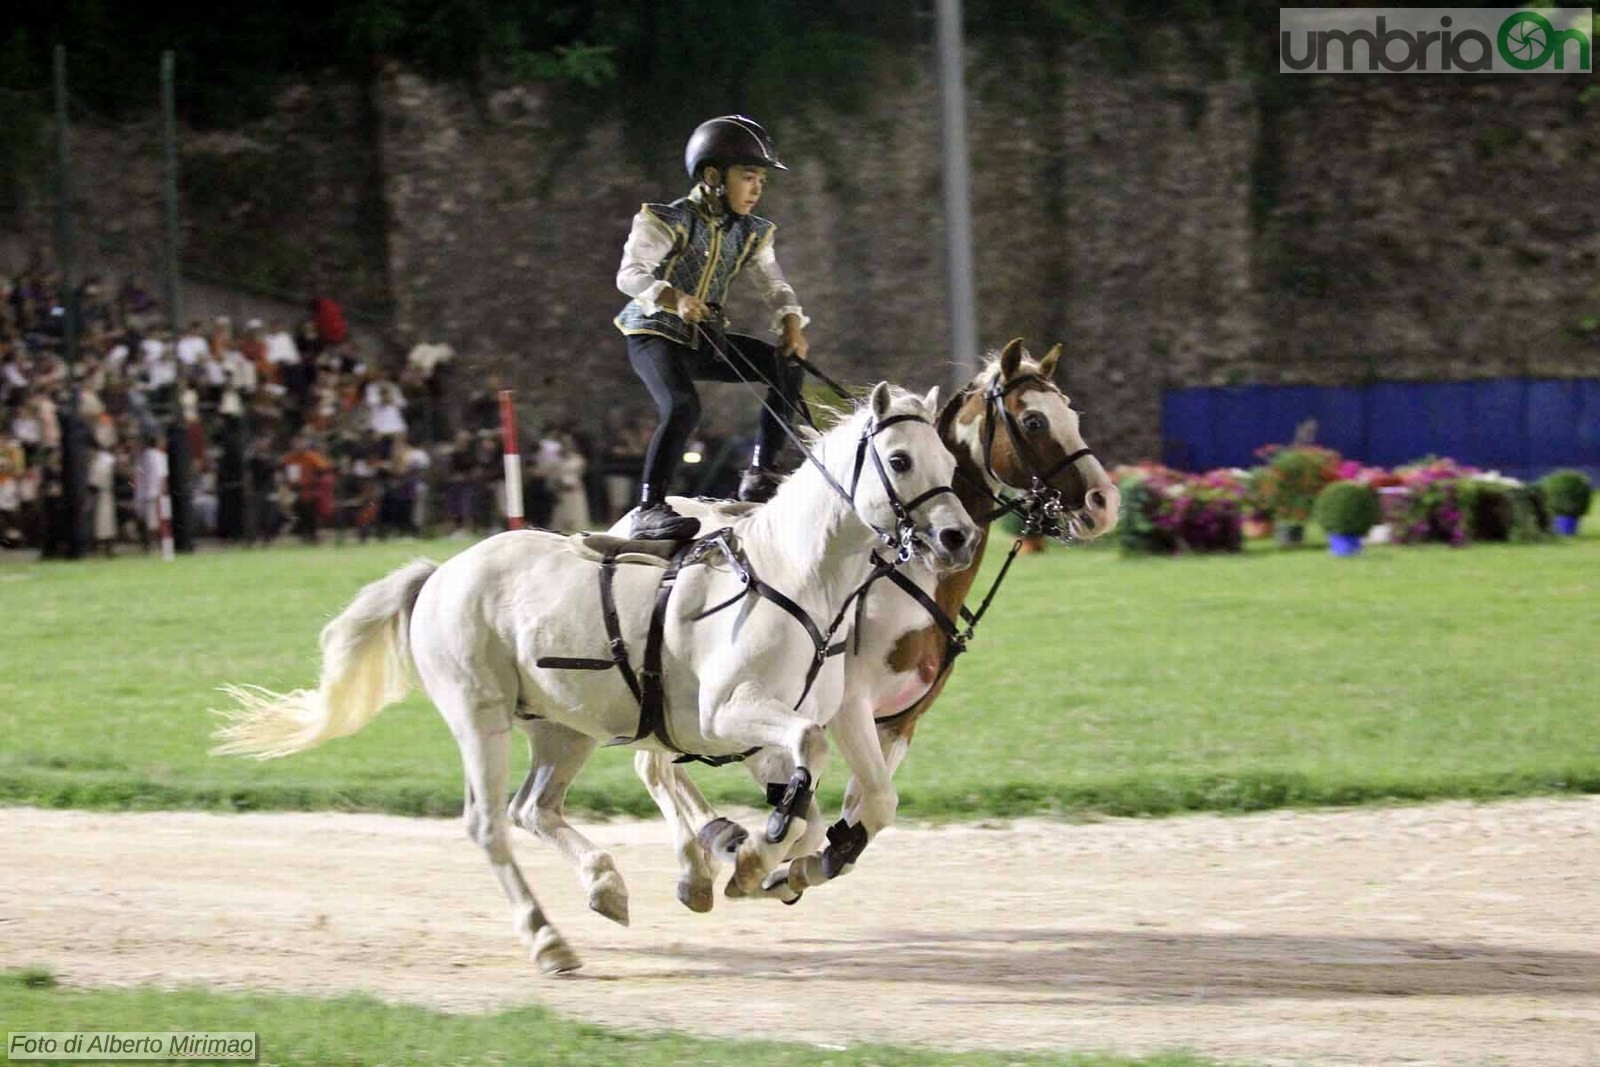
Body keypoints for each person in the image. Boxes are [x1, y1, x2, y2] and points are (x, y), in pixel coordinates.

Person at [614, 114, 810, 540]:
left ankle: (761, 472)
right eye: (748, 177)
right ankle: (649, 507)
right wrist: (675, 298)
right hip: (654, 335)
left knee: (785, 367)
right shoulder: (666, 219)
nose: (758, 189)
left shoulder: (754, 234)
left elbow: (774, 285)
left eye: (761, 179)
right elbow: (629, 275)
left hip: (704, 338)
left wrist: (791, 324)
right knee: (682, 406)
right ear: (712, 176)